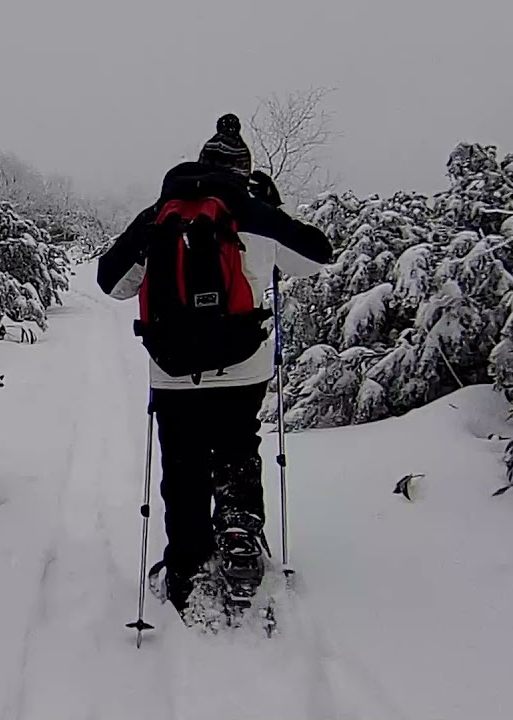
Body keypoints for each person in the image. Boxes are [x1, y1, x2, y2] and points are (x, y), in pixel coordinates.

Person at [96, 114, 334, 621]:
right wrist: (271, 210)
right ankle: (239, 532)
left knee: (181, 464)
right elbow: (316, 257)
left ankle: (185, 566)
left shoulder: (159, 214)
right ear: (244, 172)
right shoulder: (252, 211)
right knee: (235, 447)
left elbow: (111, 284)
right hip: (243, 363)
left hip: (172, 369)